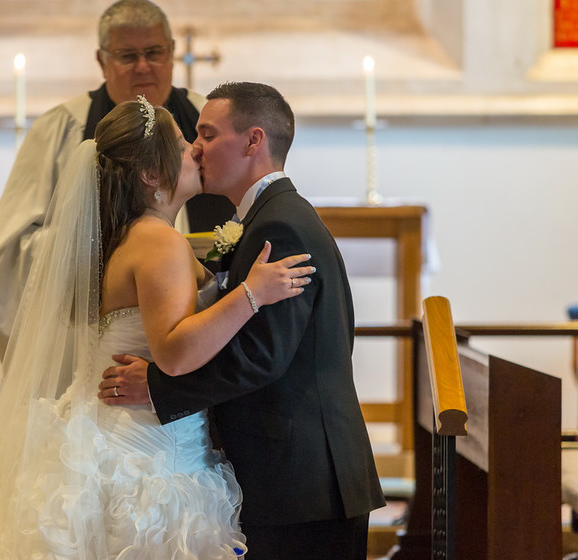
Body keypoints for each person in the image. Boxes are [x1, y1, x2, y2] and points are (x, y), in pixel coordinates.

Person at [0, 97, 313, 558]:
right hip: (147, 452)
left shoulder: (125, 237)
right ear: (151, 175)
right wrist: (251, 294)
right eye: (182, 142)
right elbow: (171, 353)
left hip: (107, 435)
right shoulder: (159, 242)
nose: (194, 150)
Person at [99, 82, 385, 560]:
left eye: (208, 134)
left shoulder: (280, 225)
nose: (196, 148)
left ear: (254, 141)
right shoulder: (262, 221)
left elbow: (262, 355)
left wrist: (159, 389)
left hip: (303, 482)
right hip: (290, 480)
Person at [0, 0, 234, 406]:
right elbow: (5, 258)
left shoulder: (211, 121)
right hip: (101, 357)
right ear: (101, 60)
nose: (143, 67)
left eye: (155, 53)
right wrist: (111, 250)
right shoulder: (61, 129)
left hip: (200, 369)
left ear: (172, 52)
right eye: (128, 56)